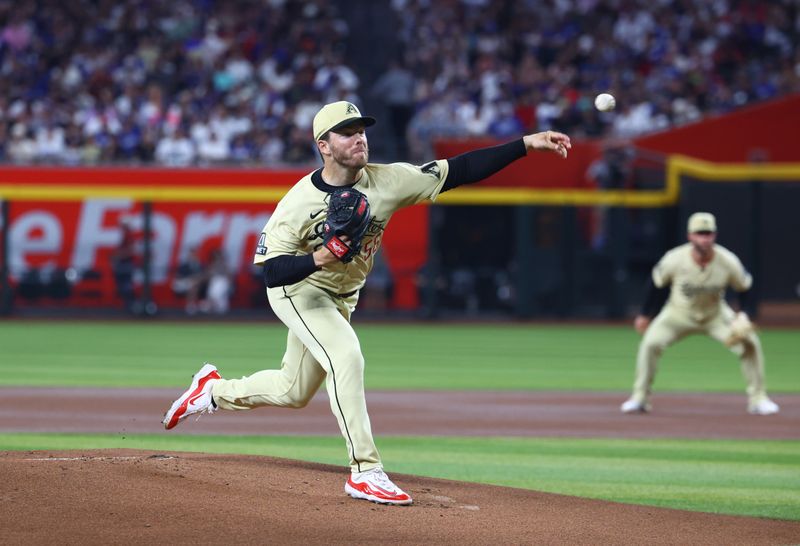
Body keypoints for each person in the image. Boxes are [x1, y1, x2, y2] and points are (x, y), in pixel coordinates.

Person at [162, 100, 571, 505]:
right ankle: (365, 470)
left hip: (343, 296)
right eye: (348, 131)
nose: (359, 137)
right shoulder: (298, 203)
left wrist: (525, 143)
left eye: (362, 130)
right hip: (299, 290)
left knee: (293, 391)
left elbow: (458, 170)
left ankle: (211, 391)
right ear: (324, 145)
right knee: (347, 356)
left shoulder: (387, 181)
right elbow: (270, 272)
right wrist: (321, 256)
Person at [620, 212, 780, 416]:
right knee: (650, 343)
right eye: (700, 233)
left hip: (716, 315)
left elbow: (745, 287)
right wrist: (645, 314)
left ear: (715, 235)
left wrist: (744, 315)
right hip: (678, 314)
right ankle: (640, 398)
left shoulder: (727, 260)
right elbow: (657, 284)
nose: (704, 238)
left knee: (750, 343)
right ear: (690, 236)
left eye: (708, 233)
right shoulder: (675, 258)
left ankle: (758, 399)